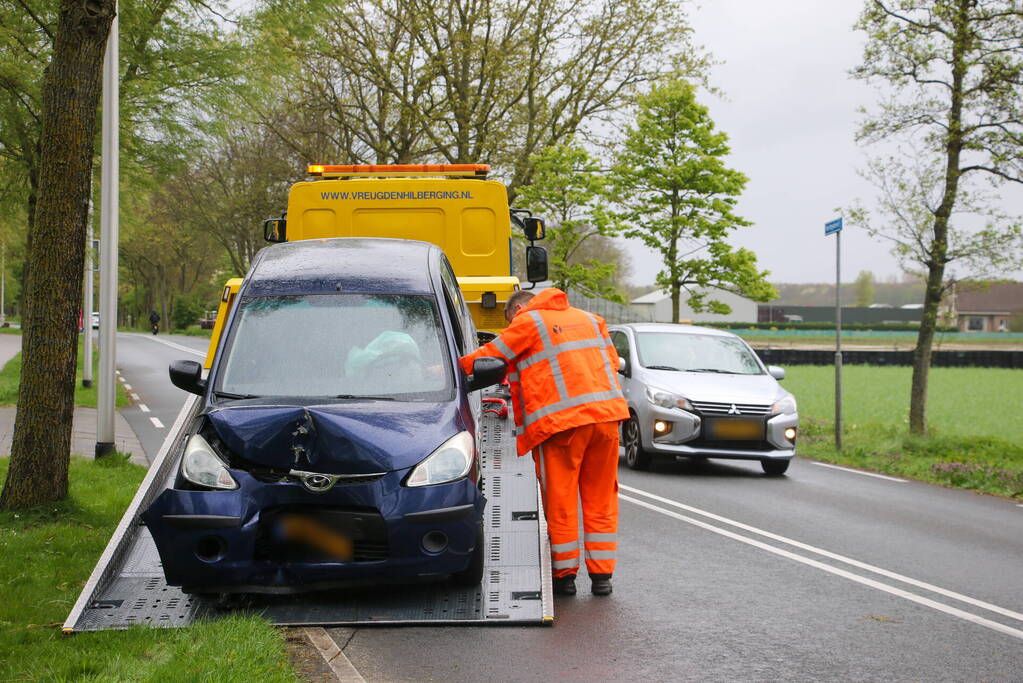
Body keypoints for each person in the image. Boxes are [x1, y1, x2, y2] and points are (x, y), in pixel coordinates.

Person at [459, 288, 628, 596]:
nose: (512, 326)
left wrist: (451, 370)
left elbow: (490, 356)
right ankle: (602, 577)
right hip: (606, 420)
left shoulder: (529, 322)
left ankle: (565, 576)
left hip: (561, 425)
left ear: (520, 309)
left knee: (561, 500)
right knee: (601, 499)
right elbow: (612, 363)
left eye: (511, 320)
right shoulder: (592, 320)